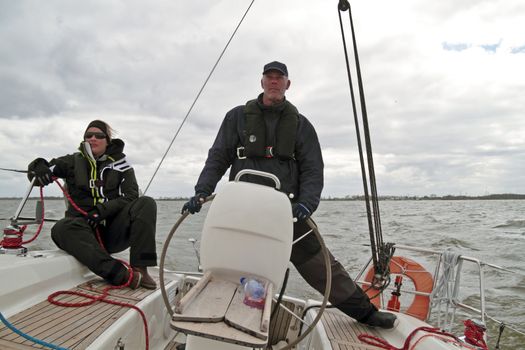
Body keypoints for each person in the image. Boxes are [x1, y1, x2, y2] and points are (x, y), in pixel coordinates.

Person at [181, 61, 397, 328]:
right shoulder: (236, 117)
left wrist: (307, 203)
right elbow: (217, 157)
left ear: (287, 84)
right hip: (241, 209)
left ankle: (364, 312)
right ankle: (222, 322)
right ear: (261, 82)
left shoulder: (301, 125)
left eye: (279, 78)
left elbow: (313, 169)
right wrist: (202, 191)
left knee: (320, 264)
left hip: (286, 212)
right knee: (233, 263)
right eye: (269, 77)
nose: (274, 82)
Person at [27, 120, 157, 289]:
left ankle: (140, 268)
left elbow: (131, 196)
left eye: (99, 135)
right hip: (81, 232)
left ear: (107, 140)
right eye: (89, 135)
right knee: (61, 228)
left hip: (112, 232)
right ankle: (120, 274)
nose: (93, 138)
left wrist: (101, 211)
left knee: (146, 203)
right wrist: (38, 166)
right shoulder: (71, 161)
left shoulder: (122, 165)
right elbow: (37, 176)